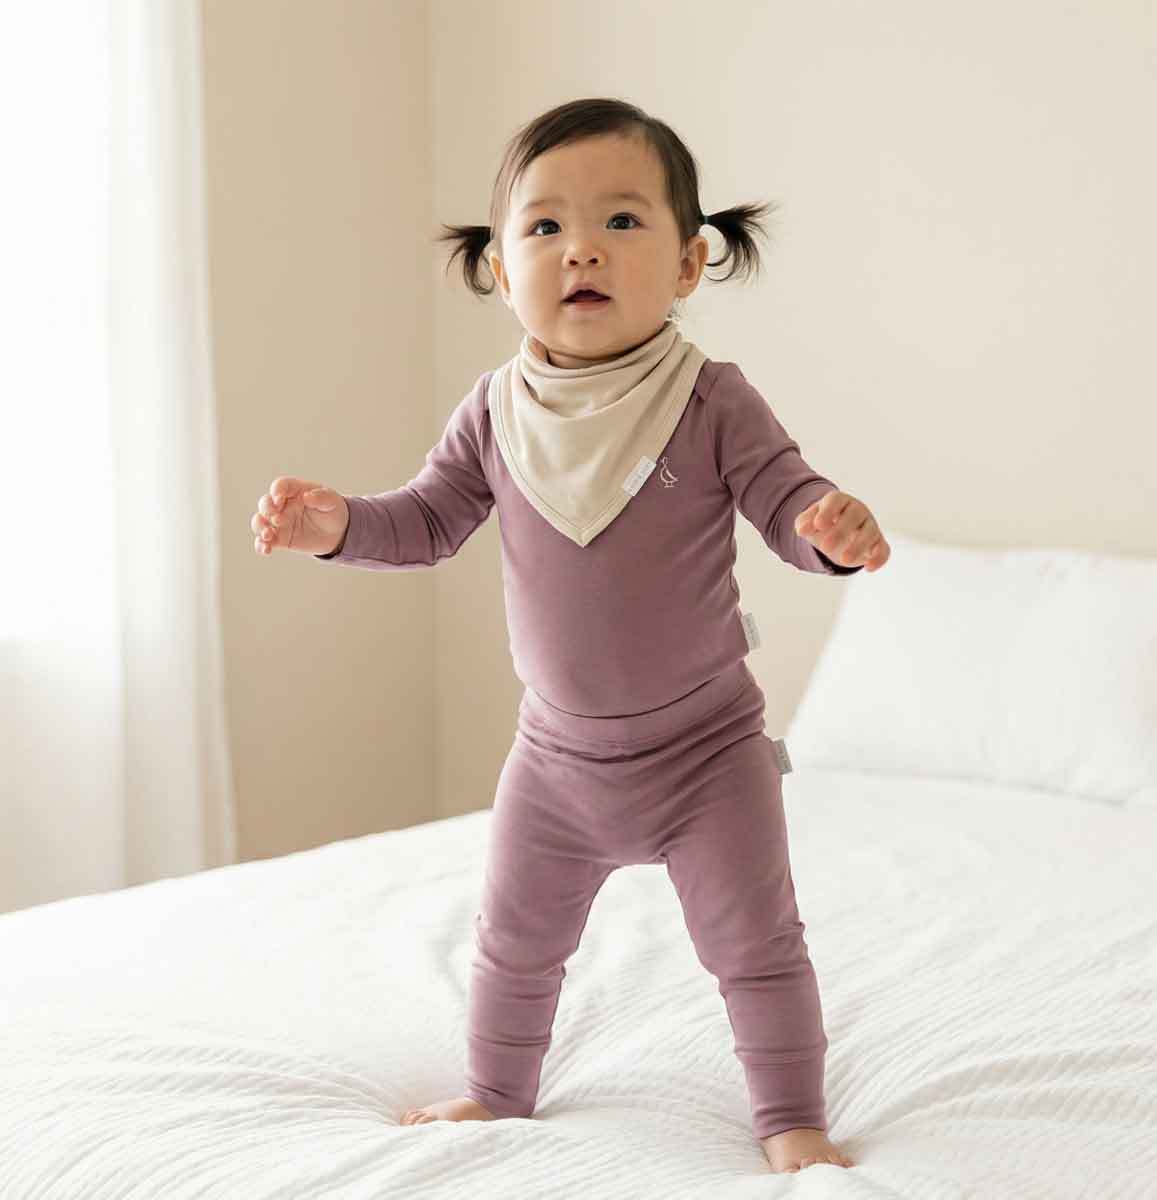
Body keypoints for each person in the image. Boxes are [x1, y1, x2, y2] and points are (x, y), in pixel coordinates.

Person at [250, 97, 889, 1174]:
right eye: (543, 227)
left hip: (706, 757)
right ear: (500, 269)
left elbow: (788, 501)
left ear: (690, 264)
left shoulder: (711, 401)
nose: (580, 246)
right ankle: (497, 1093)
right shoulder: (495, 411)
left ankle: (790, 1120)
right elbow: (429, 520)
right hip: (557, 760)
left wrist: (830, 533)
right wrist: (337, 526)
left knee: (756, 946)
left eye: (622, 223)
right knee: (513, 942)